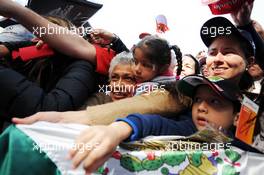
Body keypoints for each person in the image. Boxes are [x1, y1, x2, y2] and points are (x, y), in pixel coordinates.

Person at [13, 16, 256, 126]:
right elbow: (152, 110)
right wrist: (67, 119)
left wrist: (246, 26)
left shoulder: (255, 106)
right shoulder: (185, 91)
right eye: (213, 52)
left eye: (229, 52)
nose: (218, 59)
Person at [67, 75, 247, 173]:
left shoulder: (250, 151)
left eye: (214, 102)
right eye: (197, 100)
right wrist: (118, 129)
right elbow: (154, 123)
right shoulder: (187, 130)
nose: (201, 107)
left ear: (237, 117)